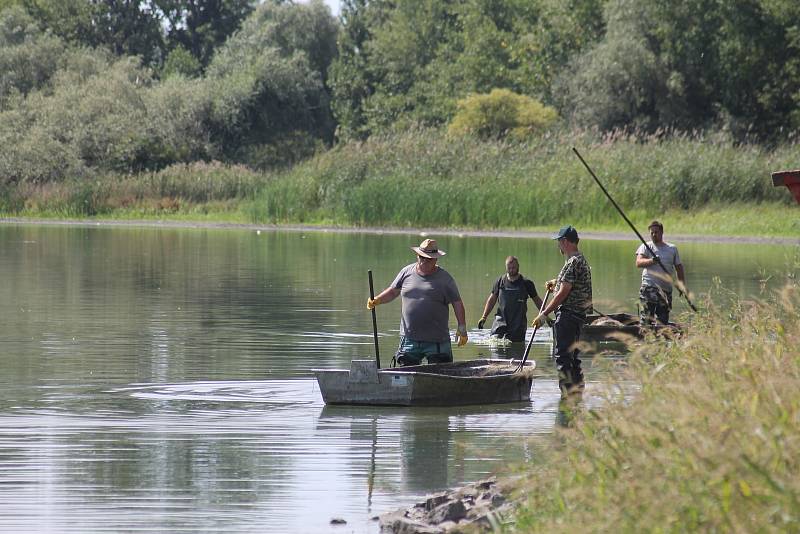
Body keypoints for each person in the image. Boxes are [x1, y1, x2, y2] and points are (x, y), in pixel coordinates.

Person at [367, 238, 467, 366]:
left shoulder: (445, 279)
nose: (424, 261)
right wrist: (377, 300)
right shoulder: (406, 272)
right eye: (421, 257)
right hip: (409, 339)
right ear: (417, 255)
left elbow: (457, 303)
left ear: (435, 259)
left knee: (440, 375)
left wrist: (462, 328)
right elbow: (393, 292)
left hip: (437, 341)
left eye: (428, 258)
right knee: (405, 376)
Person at [530, 225, 592, 397]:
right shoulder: (580, 259)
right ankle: (577, 394)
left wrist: (544, 314)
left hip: (568, 316)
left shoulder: (573, 262)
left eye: (559, 241)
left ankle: (566, 395)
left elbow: (563, 293)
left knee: (563, 358)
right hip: (578, 317)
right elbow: (567, 284)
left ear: (565, 242)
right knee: (573, 358)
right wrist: (556, 282)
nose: (558, 245)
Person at [477, 256, 543, 342]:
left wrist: (545, 315)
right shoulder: (500, 281)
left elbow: (537, 300)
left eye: (514, 268)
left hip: (518, 325)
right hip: (500, 322)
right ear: (506, 268)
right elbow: (492, 300)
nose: (511, 270)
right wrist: (484, 317)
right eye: (509, 268)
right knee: (495, 342)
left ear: (518, 266)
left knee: (516, 348)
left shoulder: (526, 283)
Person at [635, 220, 686, 326]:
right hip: (649, 289)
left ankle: (660, 340)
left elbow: (679, 268)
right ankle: (645, 340)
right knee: (646, 321)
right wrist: (651, 261)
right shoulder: (646, 246)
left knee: (662, 323)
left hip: (665, 291)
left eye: (656, 232)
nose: (654, 235)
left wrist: (681, 286)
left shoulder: (672, 249)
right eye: (651, 233)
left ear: (662, 232)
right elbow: (639, 263)